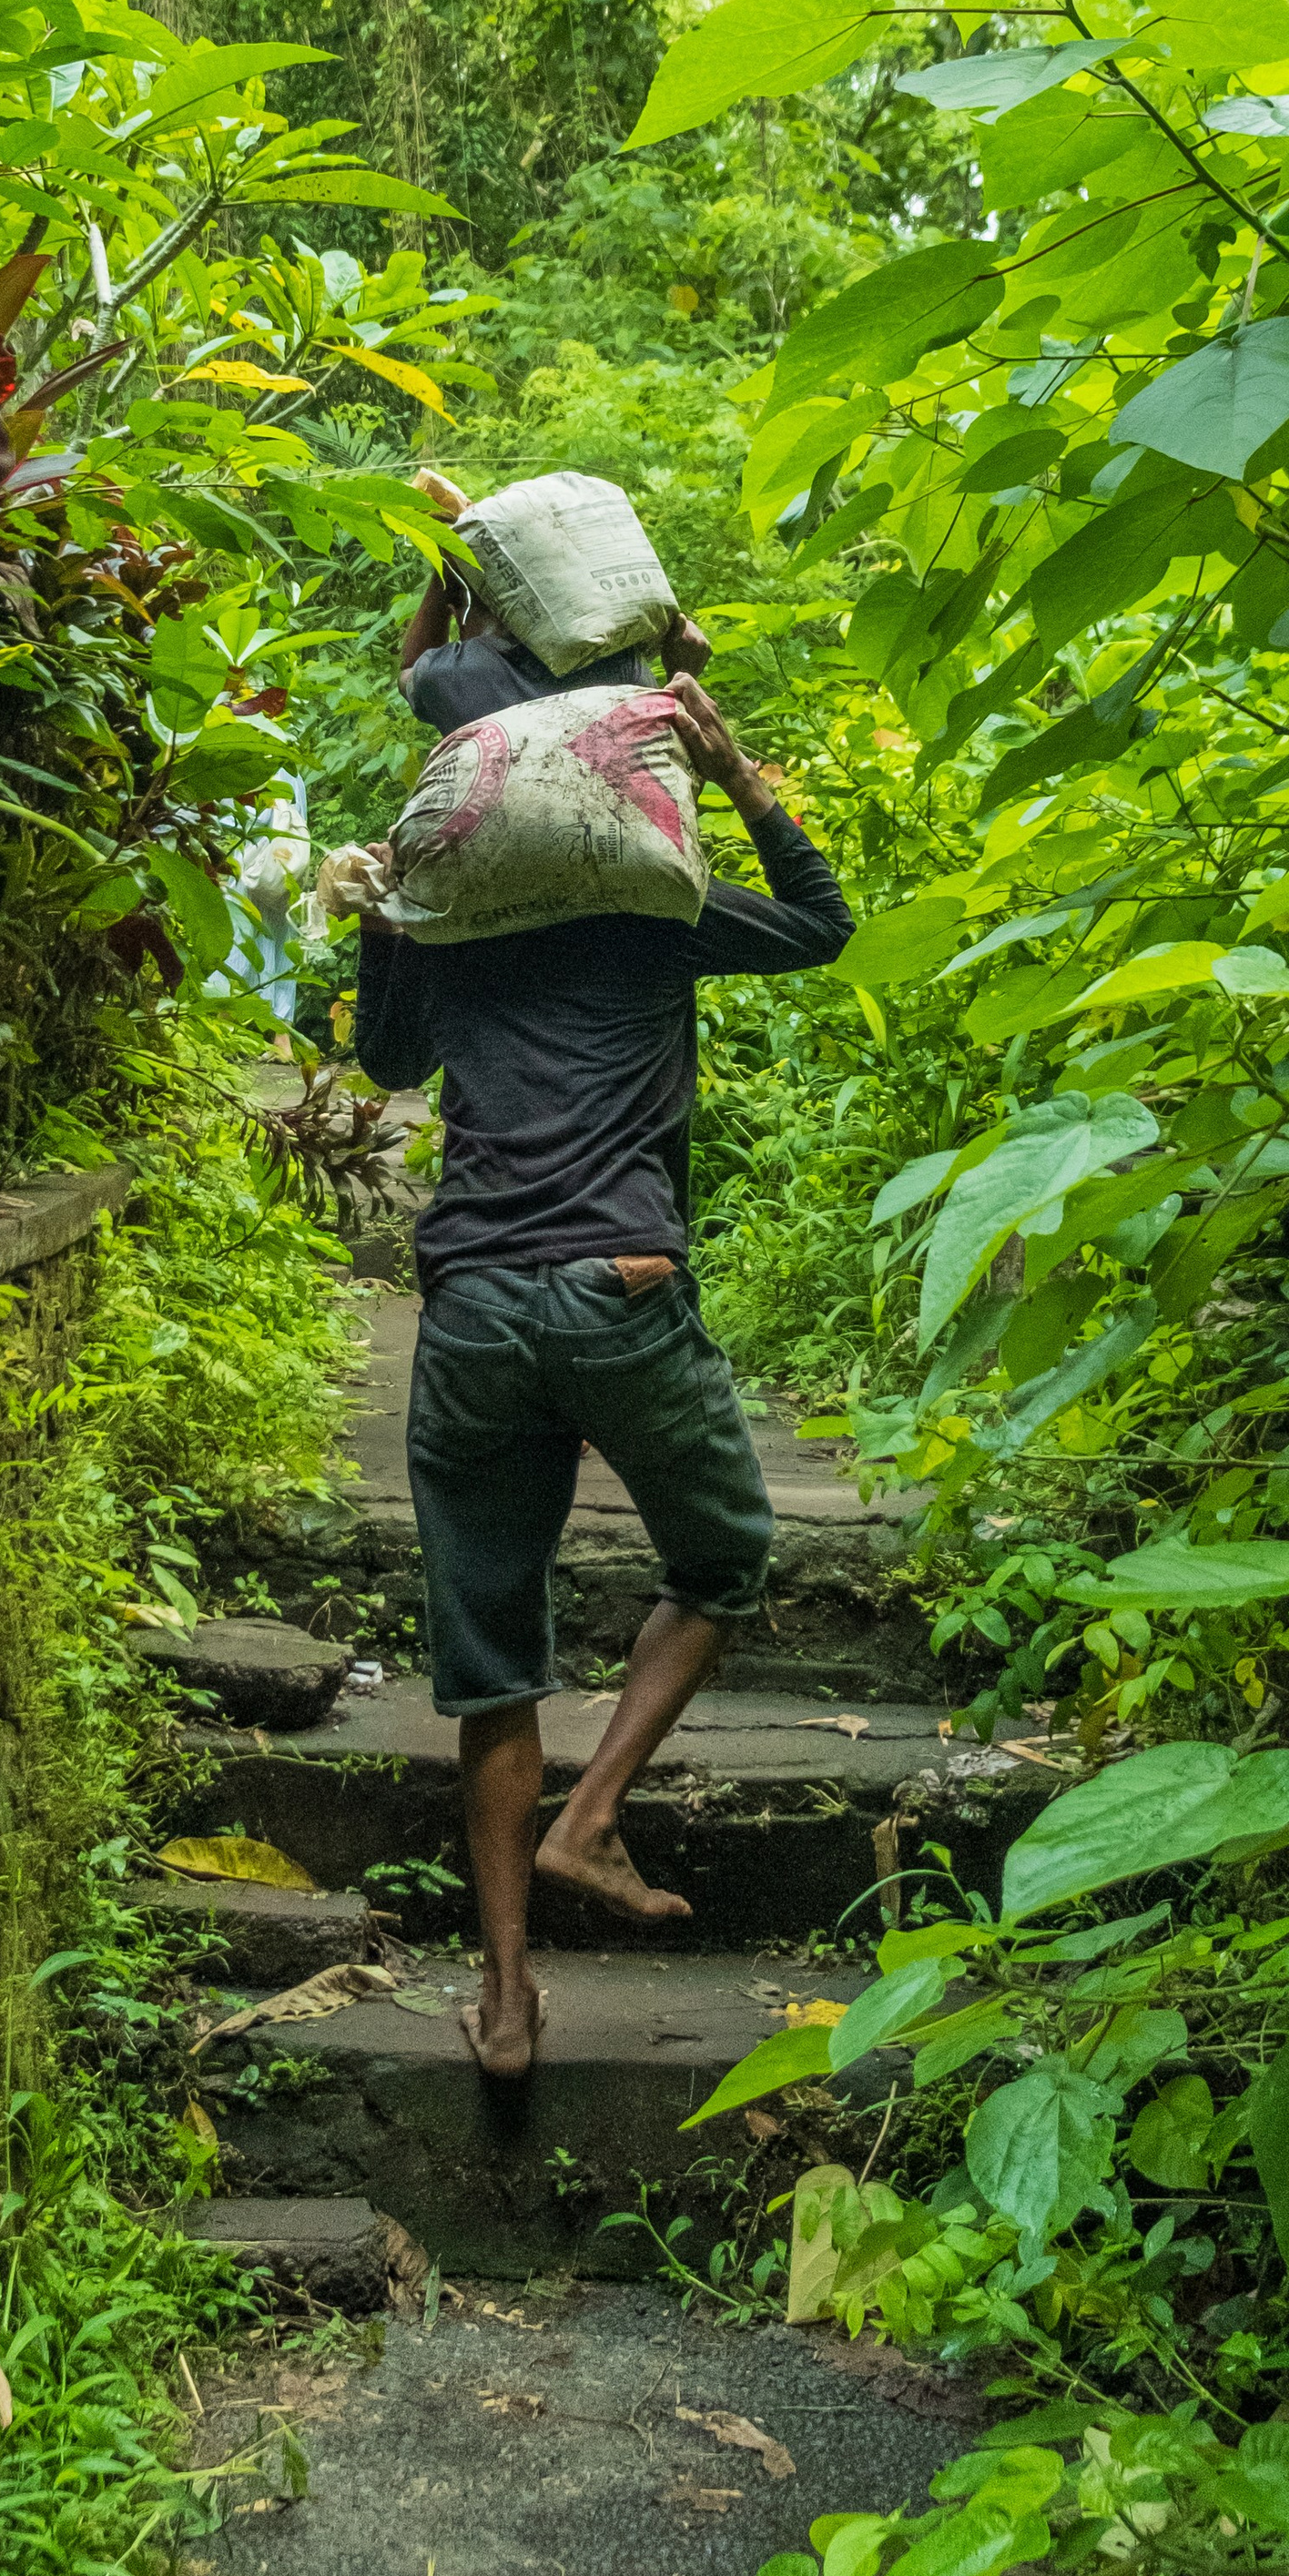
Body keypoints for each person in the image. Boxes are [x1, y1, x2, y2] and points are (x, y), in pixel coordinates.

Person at [350, 574, 853, 2082]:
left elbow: (382, 1061)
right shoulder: (657, 908)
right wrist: (731, 758)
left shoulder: (448, 911)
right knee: (723, 1557)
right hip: (622, 1291)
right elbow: (824, 925)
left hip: (477, 1311)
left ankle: (505, 2003)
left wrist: (383, 904)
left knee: (492, 1669)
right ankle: (590, 1817)